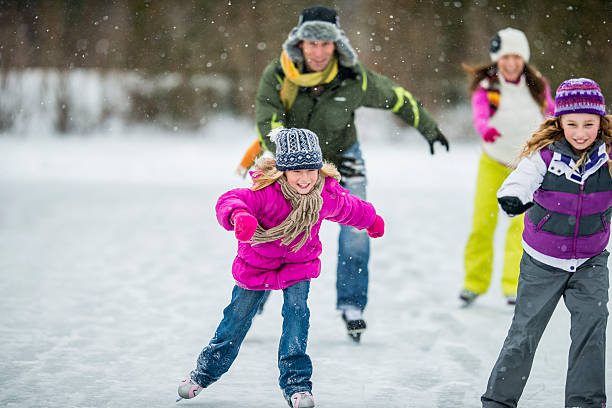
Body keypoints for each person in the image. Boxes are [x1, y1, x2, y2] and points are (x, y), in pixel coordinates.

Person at [244, 5, 448, 341]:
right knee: (275, 227)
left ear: (337, 45)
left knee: (356, 228)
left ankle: (352, 305)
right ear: (300, 44)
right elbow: (268, 119)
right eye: (312, 43)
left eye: (326, 44)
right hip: (292, 161)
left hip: (343, 159)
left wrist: (428, 127)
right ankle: (256, 299)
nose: (319, 51)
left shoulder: (354, 77)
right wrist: (286, 150)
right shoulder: (278, 74)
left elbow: (397, 98)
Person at [177, 128, 385, 408]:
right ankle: (203, 374)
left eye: (311, 170)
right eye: (297, 171)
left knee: (297, 320)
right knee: (235, 321)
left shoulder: (322, 194)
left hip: (298, 265)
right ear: (283, 170)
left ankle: (297, 385)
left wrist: (370, 220)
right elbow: (231, 200)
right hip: (256, 265)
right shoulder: (266, 193)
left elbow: (350, 207)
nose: (305, 178)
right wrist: (240, 216)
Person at [482, 78, 611, 408]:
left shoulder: (607, 159)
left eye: (588, 124)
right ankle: (498, 401)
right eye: (571, 124)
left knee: (591, 334)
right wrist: (513, 198)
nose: (580, 132)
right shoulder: (545, 157)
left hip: (590, 261)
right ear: (559, 122)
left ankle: (585, 403)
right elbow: (519, 180)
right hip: (542, 262)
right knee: (524, 332)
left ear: (601, 122)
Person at [459, 27, 554, 307]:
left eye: (516, 57)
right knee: (482, 224)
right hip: (493, 163)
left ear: (523, 59)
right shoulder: (489, 87)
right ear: (497, 59)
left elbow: (552, 113)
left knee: (521, 227)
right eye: (505, 57)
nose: (511, 63)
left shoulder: (537, 84)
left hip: (526, 166)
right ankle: (473, 283)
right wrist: (485, 128)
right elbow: (480, 114)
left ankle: (513, 285)